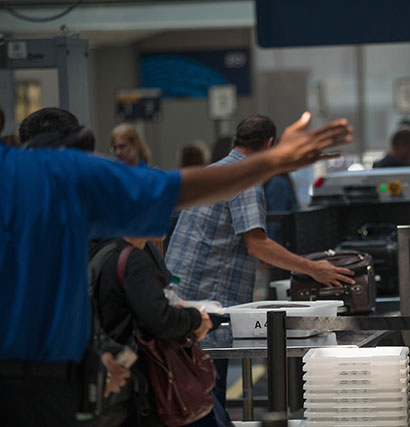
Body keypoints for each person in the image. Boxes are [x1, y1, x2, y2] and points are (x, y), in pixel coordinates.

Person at [0, 109, 352, 426]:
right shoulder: (56, 169)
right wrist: (274, 161)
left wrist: (99, 352)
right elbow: (174, 190)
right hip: (44, 382)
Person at [165, 114, 355, 407]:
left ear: (235, 142)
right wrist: (315, 269)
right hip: (206, 306)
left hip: (181, 300)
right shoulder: (244, 179)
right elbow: (257, 245)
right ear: (269, 144)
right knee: (205, 398)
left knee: (189, 396)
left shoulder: (216, 170)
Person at [91, 237, 214, 426]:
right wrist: (196, 319)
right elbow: (160, 320)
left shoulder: (102, 248)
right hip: (137, 384)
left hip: (106, 374)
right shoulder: (134, 259)